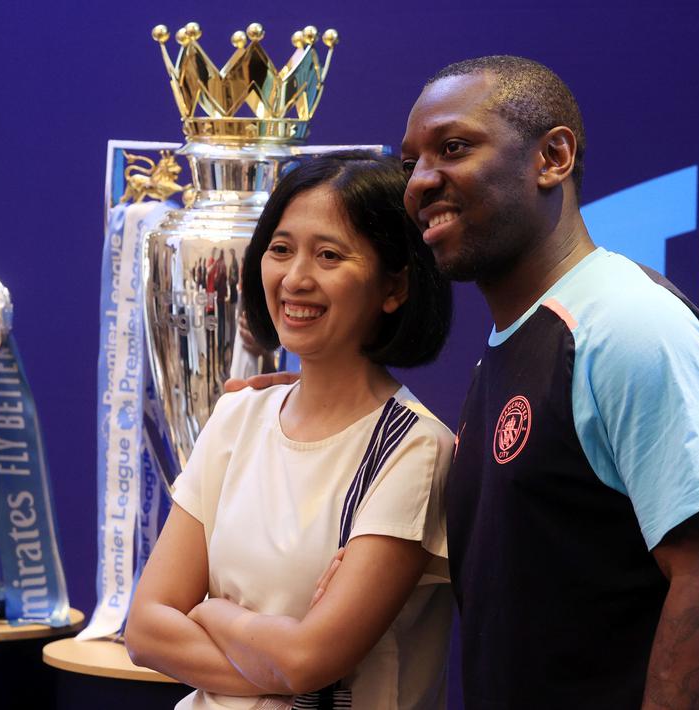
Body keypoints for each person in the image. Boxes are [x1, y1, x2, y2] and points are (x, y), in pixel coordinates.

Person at [395, 56, 699, 709]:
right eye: (410, 163)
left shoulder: (625, 322)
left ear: (552, 157)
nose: (420, 182)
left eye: (452, 148)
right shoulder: (511, 349)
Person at [125, 151, 456, 710]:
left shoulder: (415, 449)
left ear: (393, 286)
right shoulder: (239, 415)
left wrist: (211, 611)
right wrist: (283, 664)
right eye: (281, 249)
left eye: (329, 255)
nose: (296, 278)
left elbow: (309, 661)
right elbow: (146, 629)